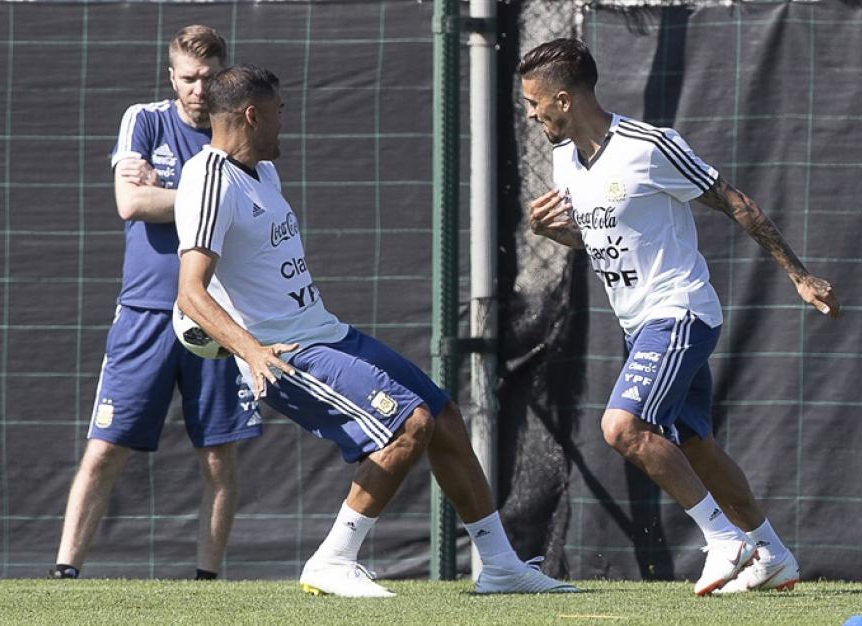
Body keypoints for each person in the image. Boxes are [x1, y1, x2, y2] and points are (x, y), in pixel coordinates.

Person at [173, 63, 578, 598]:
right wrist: (251, 352)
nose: (283, 121)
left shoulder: (262, 173)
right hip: (286, 351)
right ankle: (332, 560)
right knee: (408, 426)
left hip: (326, 331)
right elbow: (190, 293)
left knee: (442, 415)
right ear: (251, 115)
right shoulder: (208, 178)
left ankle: (500, 565)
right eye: (278, 111)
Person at [518, 38, 840, 595]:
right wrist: (552, 233)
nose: (530, 113)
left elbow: (737, 202)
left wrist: (799, 275)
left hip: (680, 310)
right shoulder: (564, 158)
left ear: (564, 99)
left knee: (622, 427)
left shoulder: (650, 146)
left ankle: (723, 540)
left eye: (534, 103)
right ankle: (772, 553)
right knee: (695, 445)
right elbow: (594, 238)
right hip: (638, 324)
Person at [51, 26, 260, 581]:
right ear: (172, 77)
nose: (198, 88)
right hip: (144, 313)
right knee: (106, 447)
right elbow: (130, 202)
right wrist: (203, 198)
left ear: (225, 75)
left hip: (215, 318)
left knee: (219, 455)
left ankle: (206, 581)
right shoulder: (144, 119)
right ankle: (65, 570)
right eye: (188, 78)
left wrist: (169, 197)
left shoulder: (240, 130)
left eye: (209, 77)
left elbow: (244, 210)